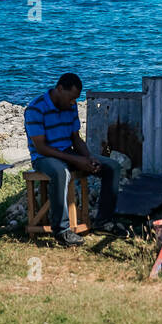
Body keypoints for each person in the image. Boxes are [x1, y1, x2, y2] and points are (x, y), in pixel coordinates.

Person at [24, 73, 125, 246]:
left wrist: (88, 158)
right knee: (61, 172)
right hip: (44, 157)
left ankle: (103, 221)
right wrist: (76, 160)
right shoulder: (35, 109)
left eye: (75, 99)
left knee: (112, 167)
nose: (73, 103)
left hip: (68, 152)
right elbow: (41, 147)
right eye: (71, 98)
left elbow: (76, 139)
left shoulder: (70, 107)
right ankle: (61, 231)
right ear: (60, 89)